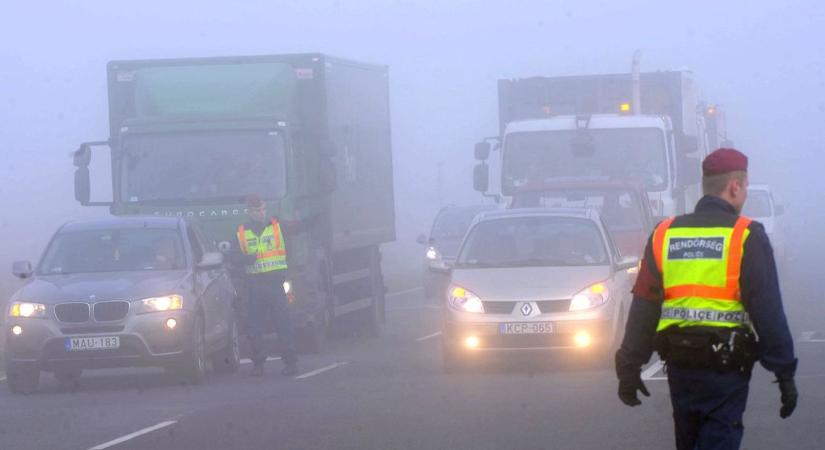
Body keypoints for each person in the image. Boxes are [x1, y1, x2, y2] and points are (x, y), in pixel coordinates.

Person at [615, 148, 798, 450]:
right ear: (735, 186)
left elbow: (644, 306)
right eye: (746, 187)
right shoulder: (746, 236)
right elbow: (768, 311)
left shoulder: (665, 234)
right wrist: (784, 372)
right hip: (725, 370)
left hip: (680, 367)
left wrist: (629, 366)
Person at [234, 194, 299, 377]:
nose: (261, 213)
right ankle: (258, 365)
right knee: (254, 328)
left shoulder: (276, 227)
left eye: (263, 209)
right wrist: (244, 259)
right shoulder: (241, 232)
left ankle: (291, 363)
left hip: (275, 284)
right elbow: (233, 257)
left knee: (283, 325)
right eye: (257, 210)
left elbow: (296, 230)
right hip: (255, 285)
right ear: (249, 212)